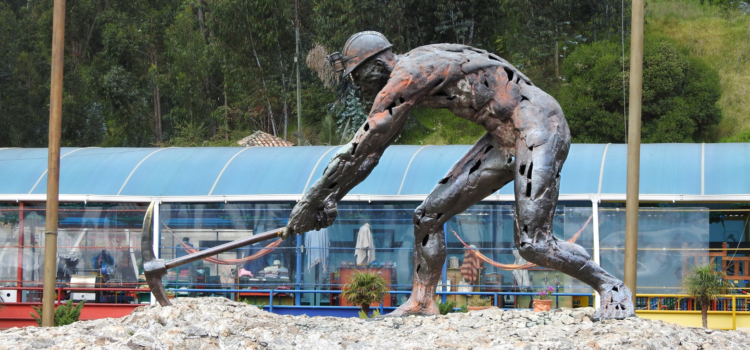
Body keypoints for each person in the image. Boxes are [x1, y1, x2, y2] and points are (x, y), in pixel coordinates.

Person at [283, 31, 633, 320]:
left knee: (533, 243)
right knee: (428, 217)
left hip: (540, 128)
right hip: (503, 136)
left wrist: (311, 201)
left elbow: (363, 146)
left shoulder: (408, 75)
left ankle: (611, 287)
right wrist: (329, 197)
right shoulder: (415, 64)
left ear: (376, 64)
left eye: (359, 76)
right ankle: (422, 301)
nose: (359, 86)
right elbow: (370, 154)